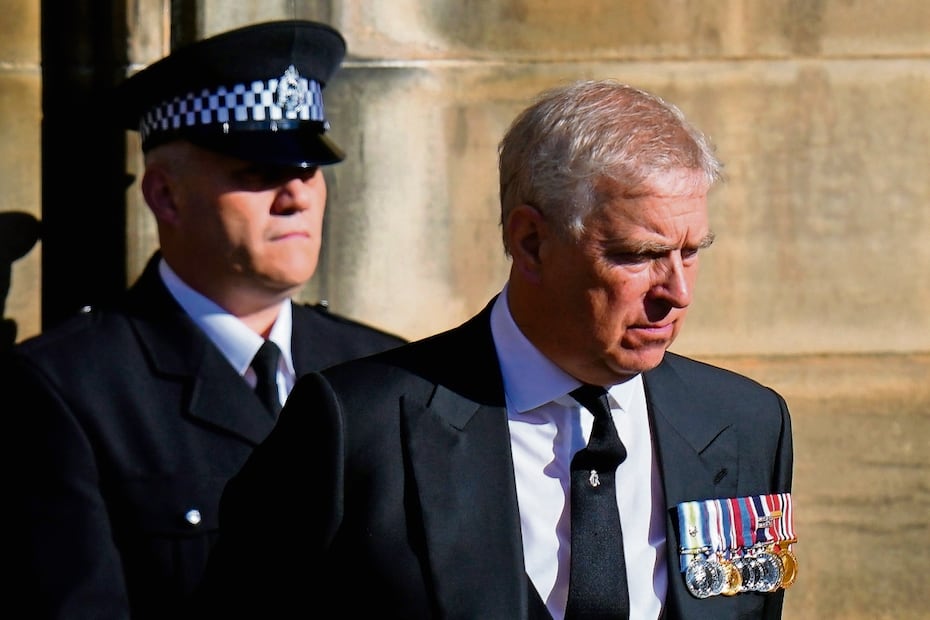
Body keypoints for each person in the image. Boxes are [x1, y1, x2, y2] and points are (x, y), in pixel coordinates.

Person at [192, 80, 795, 619]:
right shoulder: (359, 428)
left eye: (691, 252)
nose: (678, 292)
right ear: (530, 242)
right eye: (637, 255)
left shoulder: (743, 424)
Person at [3, 20, 405, 619]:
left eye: (307, 171)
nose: (295, 196)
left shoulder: (385, 370)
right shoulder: (67, 387)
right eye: (257, 174)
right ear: (166, 197)